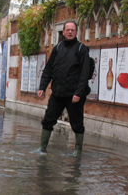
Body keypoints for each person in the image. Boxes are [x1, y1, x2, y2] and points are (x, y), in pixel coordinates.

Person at [37, 20, 90, 157]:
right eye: (68, 30)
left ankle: (77, 151)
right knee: (48, 120)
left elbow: (84, 74)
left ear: (76, 32)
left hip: (73, 95)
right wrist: (42, 86)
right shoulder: (58, 48)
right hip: (57, 93)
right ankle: (42, 148)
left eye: (73, 30)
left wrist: (78, 93)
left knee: (77, 124)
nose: (70, 32)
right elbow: (48, 69)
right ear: (63, 32)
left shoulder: (81, 49)